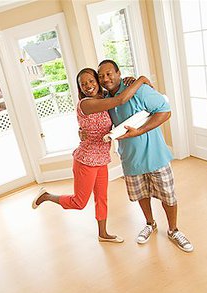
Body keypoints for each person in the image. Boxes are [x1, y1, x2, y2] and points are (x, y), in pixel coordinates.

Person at [32, 68, 152, 243]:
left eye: (91, 81)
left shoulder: (102, 98)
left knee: (101, 198)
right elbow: (119, 99)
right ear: (80, 88)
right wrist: (141, 79)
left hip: (102, 159)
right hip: (86, 160)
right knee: (79, 202)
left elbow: (116, 93)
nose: (88, 86)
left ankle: (103, 234)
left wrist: (129, 79)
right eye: (83, 84)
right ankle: (46, 196)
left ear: (97, 81)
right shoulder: (86, 104)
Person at [96, 59, 193, 252]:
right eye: (101, 76)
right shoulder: (105, 101)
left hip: (155, 155)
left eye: (109, 74)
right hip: (130, 159)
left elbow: (165, 111)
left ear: (118, 73)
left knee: (168, 197)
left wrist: (139, 132)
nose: (106, 79)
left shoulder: (137, 89)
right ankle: (150, 224)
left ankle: (173, 230)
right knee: (142, 195)